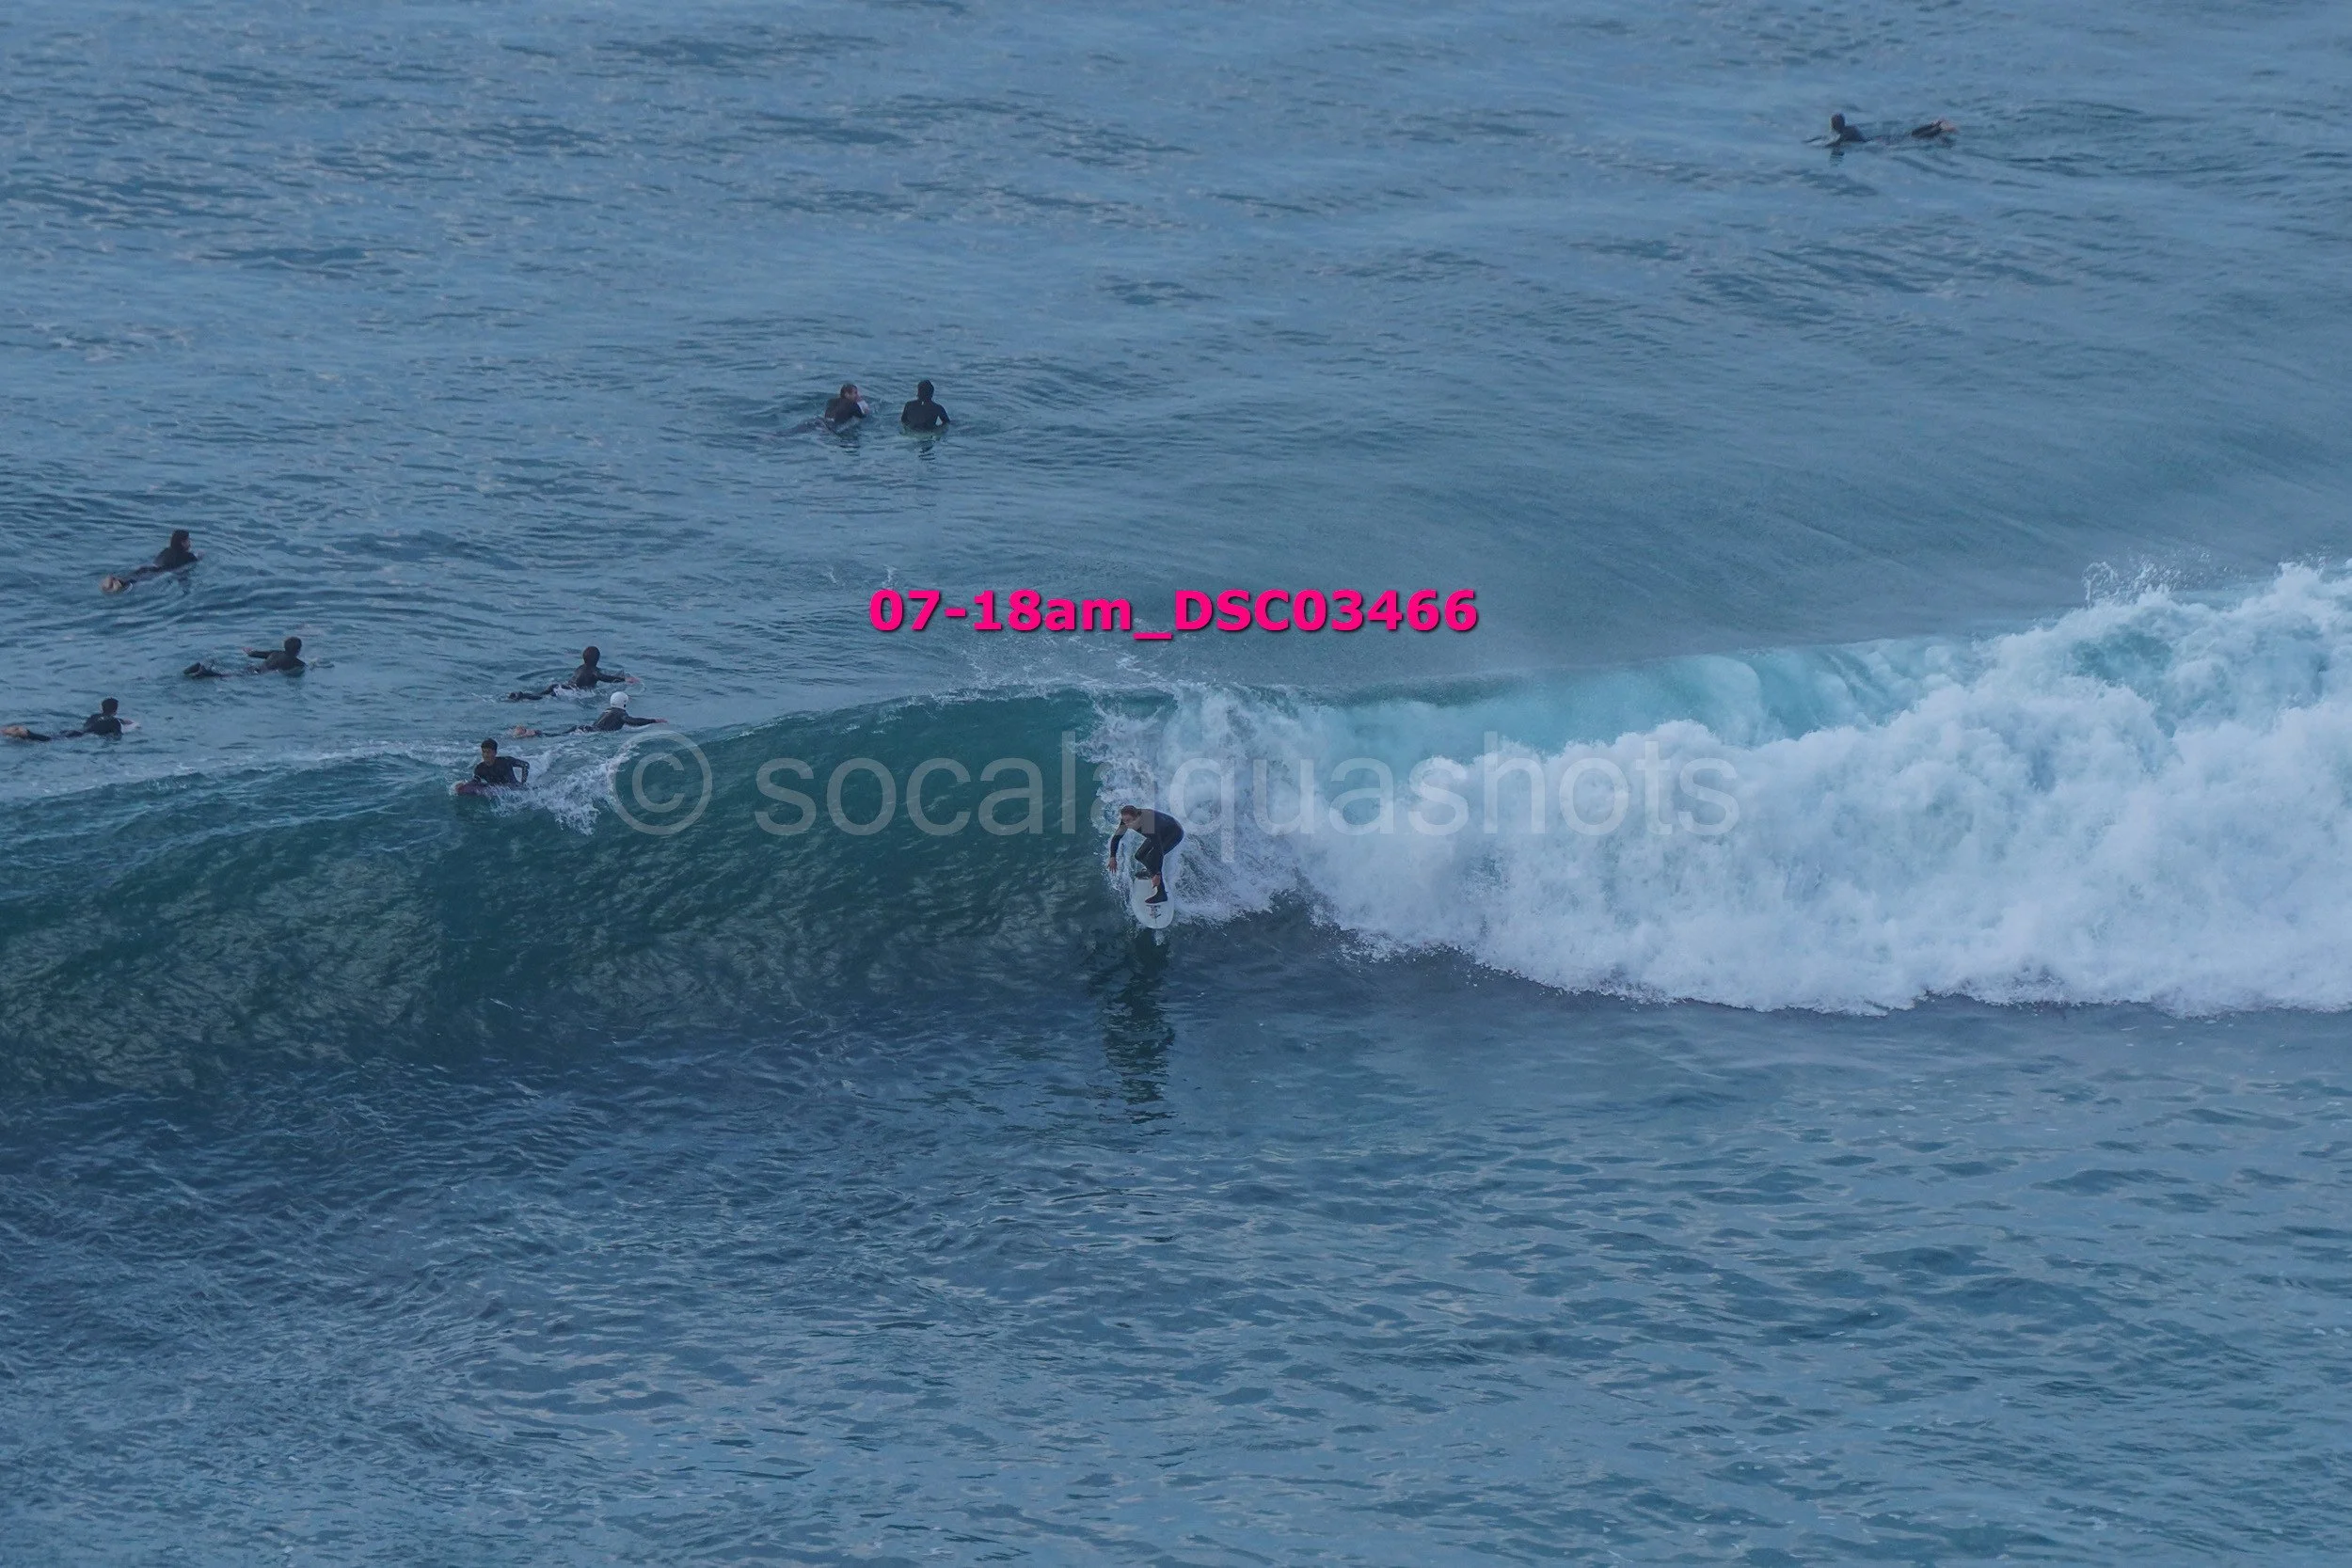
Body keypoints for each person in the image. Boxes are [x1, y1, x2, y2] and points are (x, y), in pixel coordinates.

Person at [1106, 804, 1184, 905]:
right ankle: (1150, 872)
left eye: (1129, 821)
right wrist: (1112, 857)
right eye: (1124, 820)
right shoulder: (1127, 819)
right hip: (1162, 830)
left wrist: (1157, 873)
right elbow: (1117, 837)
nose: (1126, 824)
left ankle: (1161, 894)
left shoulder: (1147, 823)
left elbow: (1158, 851)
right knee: (1139, 855)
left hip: (1174, 832)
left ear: (1137, 818)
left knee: (1152, 858)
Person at [511, 690, 667, 737]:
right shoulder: (620, 714)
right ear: (624, 703)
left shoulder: (609, 710)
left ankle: (531, 732)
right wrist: (653, 720)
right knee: (554, 736)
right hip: (589, 733)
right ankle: (532, 733)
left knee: (555, 735)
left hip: (585, 728)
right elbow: (632, 721)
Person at [506, 645, 635, 701]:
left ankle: (522, 695)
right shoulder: (594, 671)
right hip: (570, 691)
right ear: (597, 659)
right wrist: (624, 680)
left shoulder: (580, 667)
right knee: (542, 698)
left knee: (541, 695)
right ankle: (522, 696)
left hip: (561, 686)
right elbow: (605, 678)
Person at [102, 529, 199, 593]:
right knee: (136, 581)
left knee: (135, 575)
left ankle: (116, 580)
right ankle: (119, 584)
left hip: (149, 567)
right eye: (188, 540)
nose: (190, 542)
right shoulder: (188, 556)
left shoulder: (166, 551)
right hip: (158, 572)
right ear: (183, 543)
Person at [3, 697, 126, 742]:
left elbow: (101, 721)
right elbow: (116, 736)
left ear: (101, 708)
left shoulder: (94, 716)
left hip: (73, 731)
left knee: (53, 737)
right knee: (49, 740)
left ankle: (17, 732)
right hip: (81, 736)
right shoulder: (115, 722)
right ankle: (25, 733)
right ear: (116, 711)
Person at [185, 636, 304, 677]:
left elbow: (253, 653)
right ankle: (205, 672)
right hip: (259, 674)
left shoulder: (276, 652)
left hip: (253, 667)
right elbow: (305, 667)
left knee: (232, 673)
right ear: (298, 650)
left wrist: (247, 650)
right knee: (227, 676)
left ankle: (200, 669)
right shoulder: (297, 662)